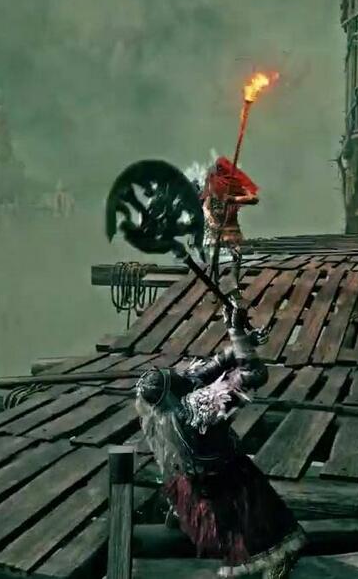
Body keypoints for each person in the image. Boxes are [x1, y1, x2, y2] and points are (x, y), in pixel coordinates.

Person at [134, 300, 305, 578]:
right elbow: (253, 375)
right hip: (226, 479)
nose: (180, 374)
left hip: (192, 479)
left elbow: (207, 370)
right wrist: (237, 333)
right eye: (173, 376)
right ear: (172, 390)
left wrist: (241, 338)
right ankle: (271, 561)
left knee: (192, 495)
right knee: (261, 527)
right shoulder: (196, 408)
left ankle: (183, 519)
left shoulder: (161, 409)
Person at [201, 156, 259, 260]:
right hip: (216, 232)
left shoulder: (234, 185)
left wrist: (234, 199)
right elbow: (206, 207)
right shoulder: (212, 185)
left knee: (238, 253)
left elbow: (254, 199)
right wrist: (211, 220)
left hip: (232, 231)